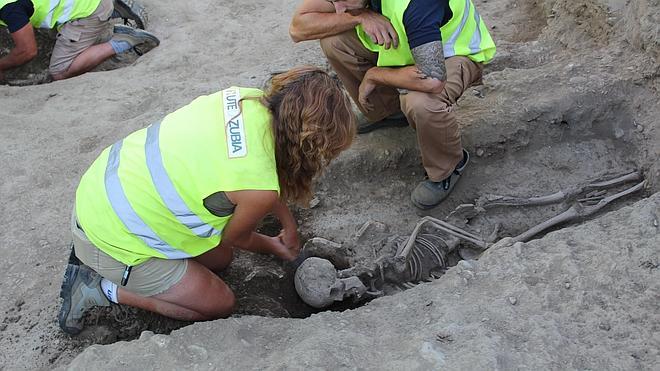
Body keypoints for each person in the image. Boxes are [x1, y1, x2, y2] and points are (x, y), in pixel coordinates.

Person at [58, 66, 356, 335]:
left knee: (221, 260)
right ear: (310, 144)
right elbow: (236, 236)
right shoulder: (259, 189)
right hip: (110, 238)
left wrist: (288, 225)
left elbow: (258, 177)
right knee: (219, 303)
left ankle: (144, 265)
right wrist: (275, 247)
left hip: (103, 188)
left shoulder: (246, 100)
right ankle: (99, 288)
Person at [290, 0, 496, 209]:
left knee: (421, 102)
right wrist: (361, 16)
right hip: (409, 43)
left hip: (448, 54)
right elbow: (298, 28)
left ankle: (447, 168)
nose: (339, 8)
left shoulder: (419, 5)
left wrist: (375, 75)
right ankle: (388, 112)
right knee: (334, 40)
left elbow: (433, 80)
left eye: (343, 1)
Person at [0, 0, 159, 82]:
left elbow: (27, 51)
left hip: (88, 12)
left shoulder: (10, 9)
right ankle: (112, 6)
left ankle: (124, 41)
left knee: (60, 71)